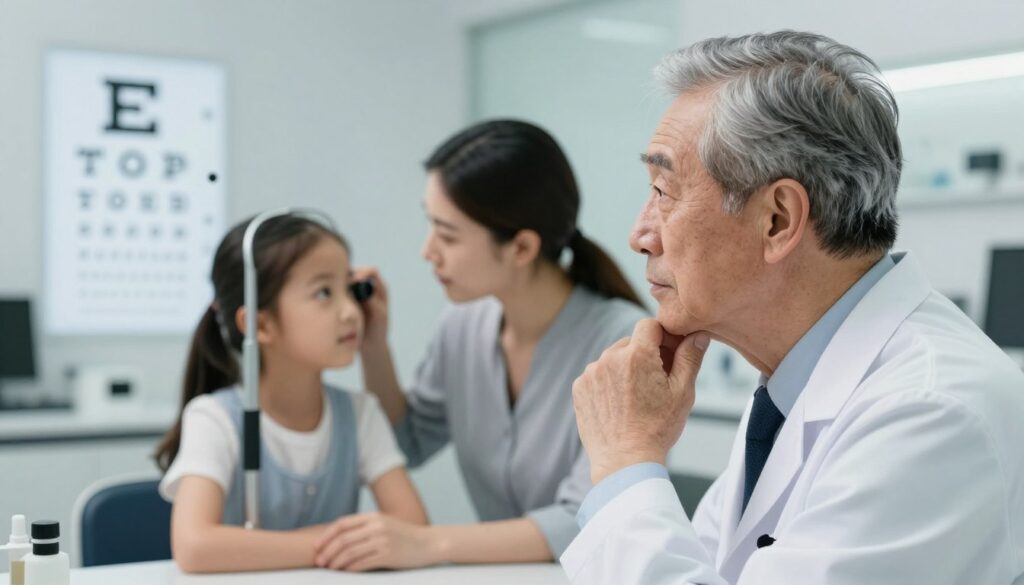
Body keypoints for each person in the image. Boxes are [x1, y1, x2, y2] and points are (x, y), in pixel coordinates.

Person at [564, 31, 1024, 584]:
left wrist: (626, 460)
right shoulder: (792, 385)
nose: (640, 235)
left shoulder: (930, 412)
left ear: (778, 220)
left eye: (664, 192)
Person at [311, 120, 649, 570]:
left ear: (522, 247)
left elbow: (585, 517)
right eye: (430, 226)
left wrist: (425, 544)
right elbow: (406, 443)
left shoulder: (623, 340)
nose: (428, 251)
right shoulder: (461, 326)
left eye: (447, 235)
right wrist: (375, 348)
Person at [154, 214, 427, 573]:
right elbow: (195, 547)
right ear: (260, 324)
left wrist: (262, 548)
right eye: (324, 293)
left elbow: (414, 528)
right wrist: (339, 541)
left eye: (350, 289)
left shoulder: (360, 414)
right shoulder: (214, 419)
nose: (350, 312)